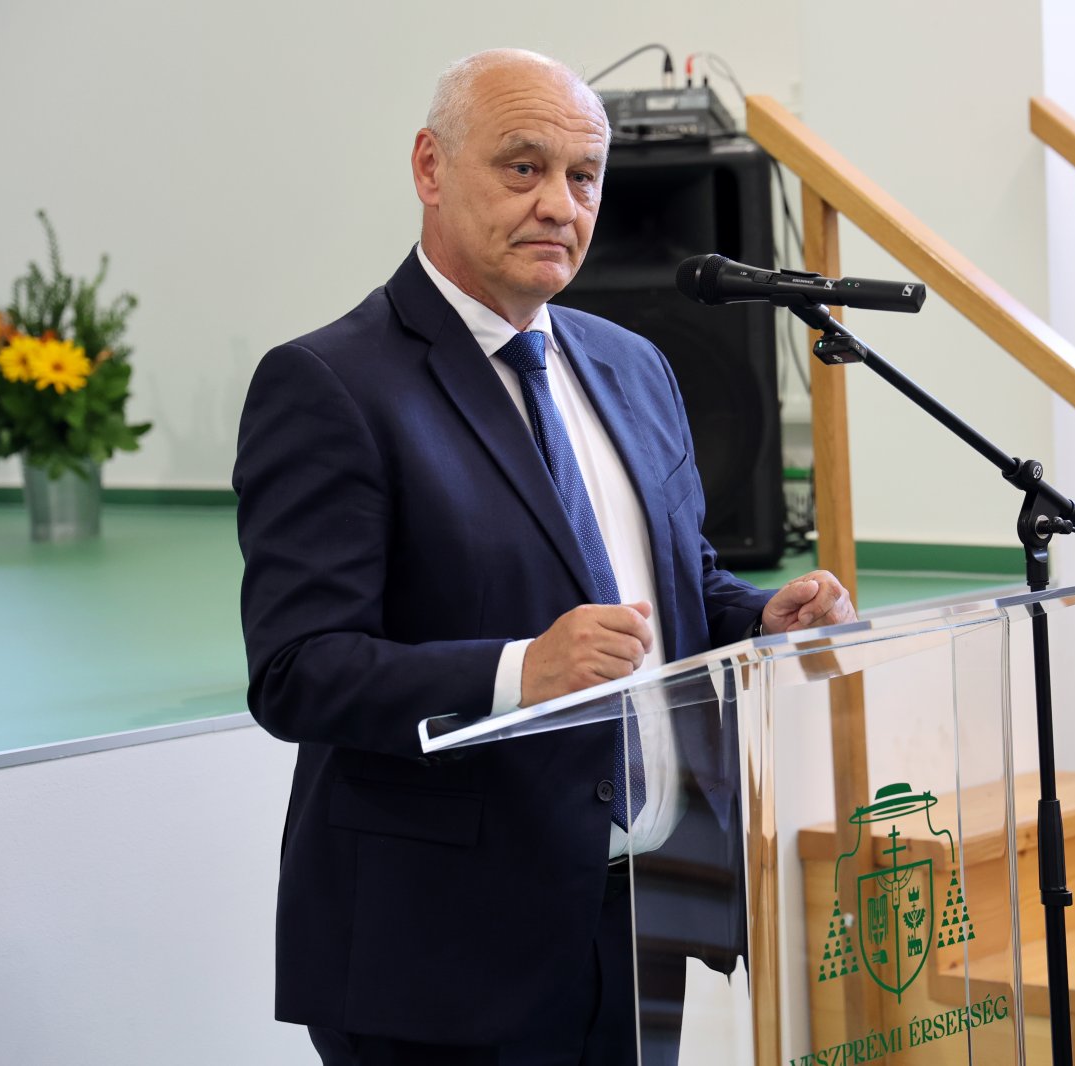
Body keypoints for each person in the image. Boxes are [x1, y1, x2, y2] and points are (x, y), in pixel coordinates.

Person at [233, 48, 854, 1064]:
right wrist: (522, 670)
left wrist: (759, 613)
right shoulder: (331, 384)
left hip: (639, 913)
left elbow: (669, 581)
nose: (559, 204)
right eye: (523, 168)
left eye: (583, 176)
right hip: (440, 948)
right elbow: (298, 671)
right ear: (430, 168)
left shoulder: (634, 366)